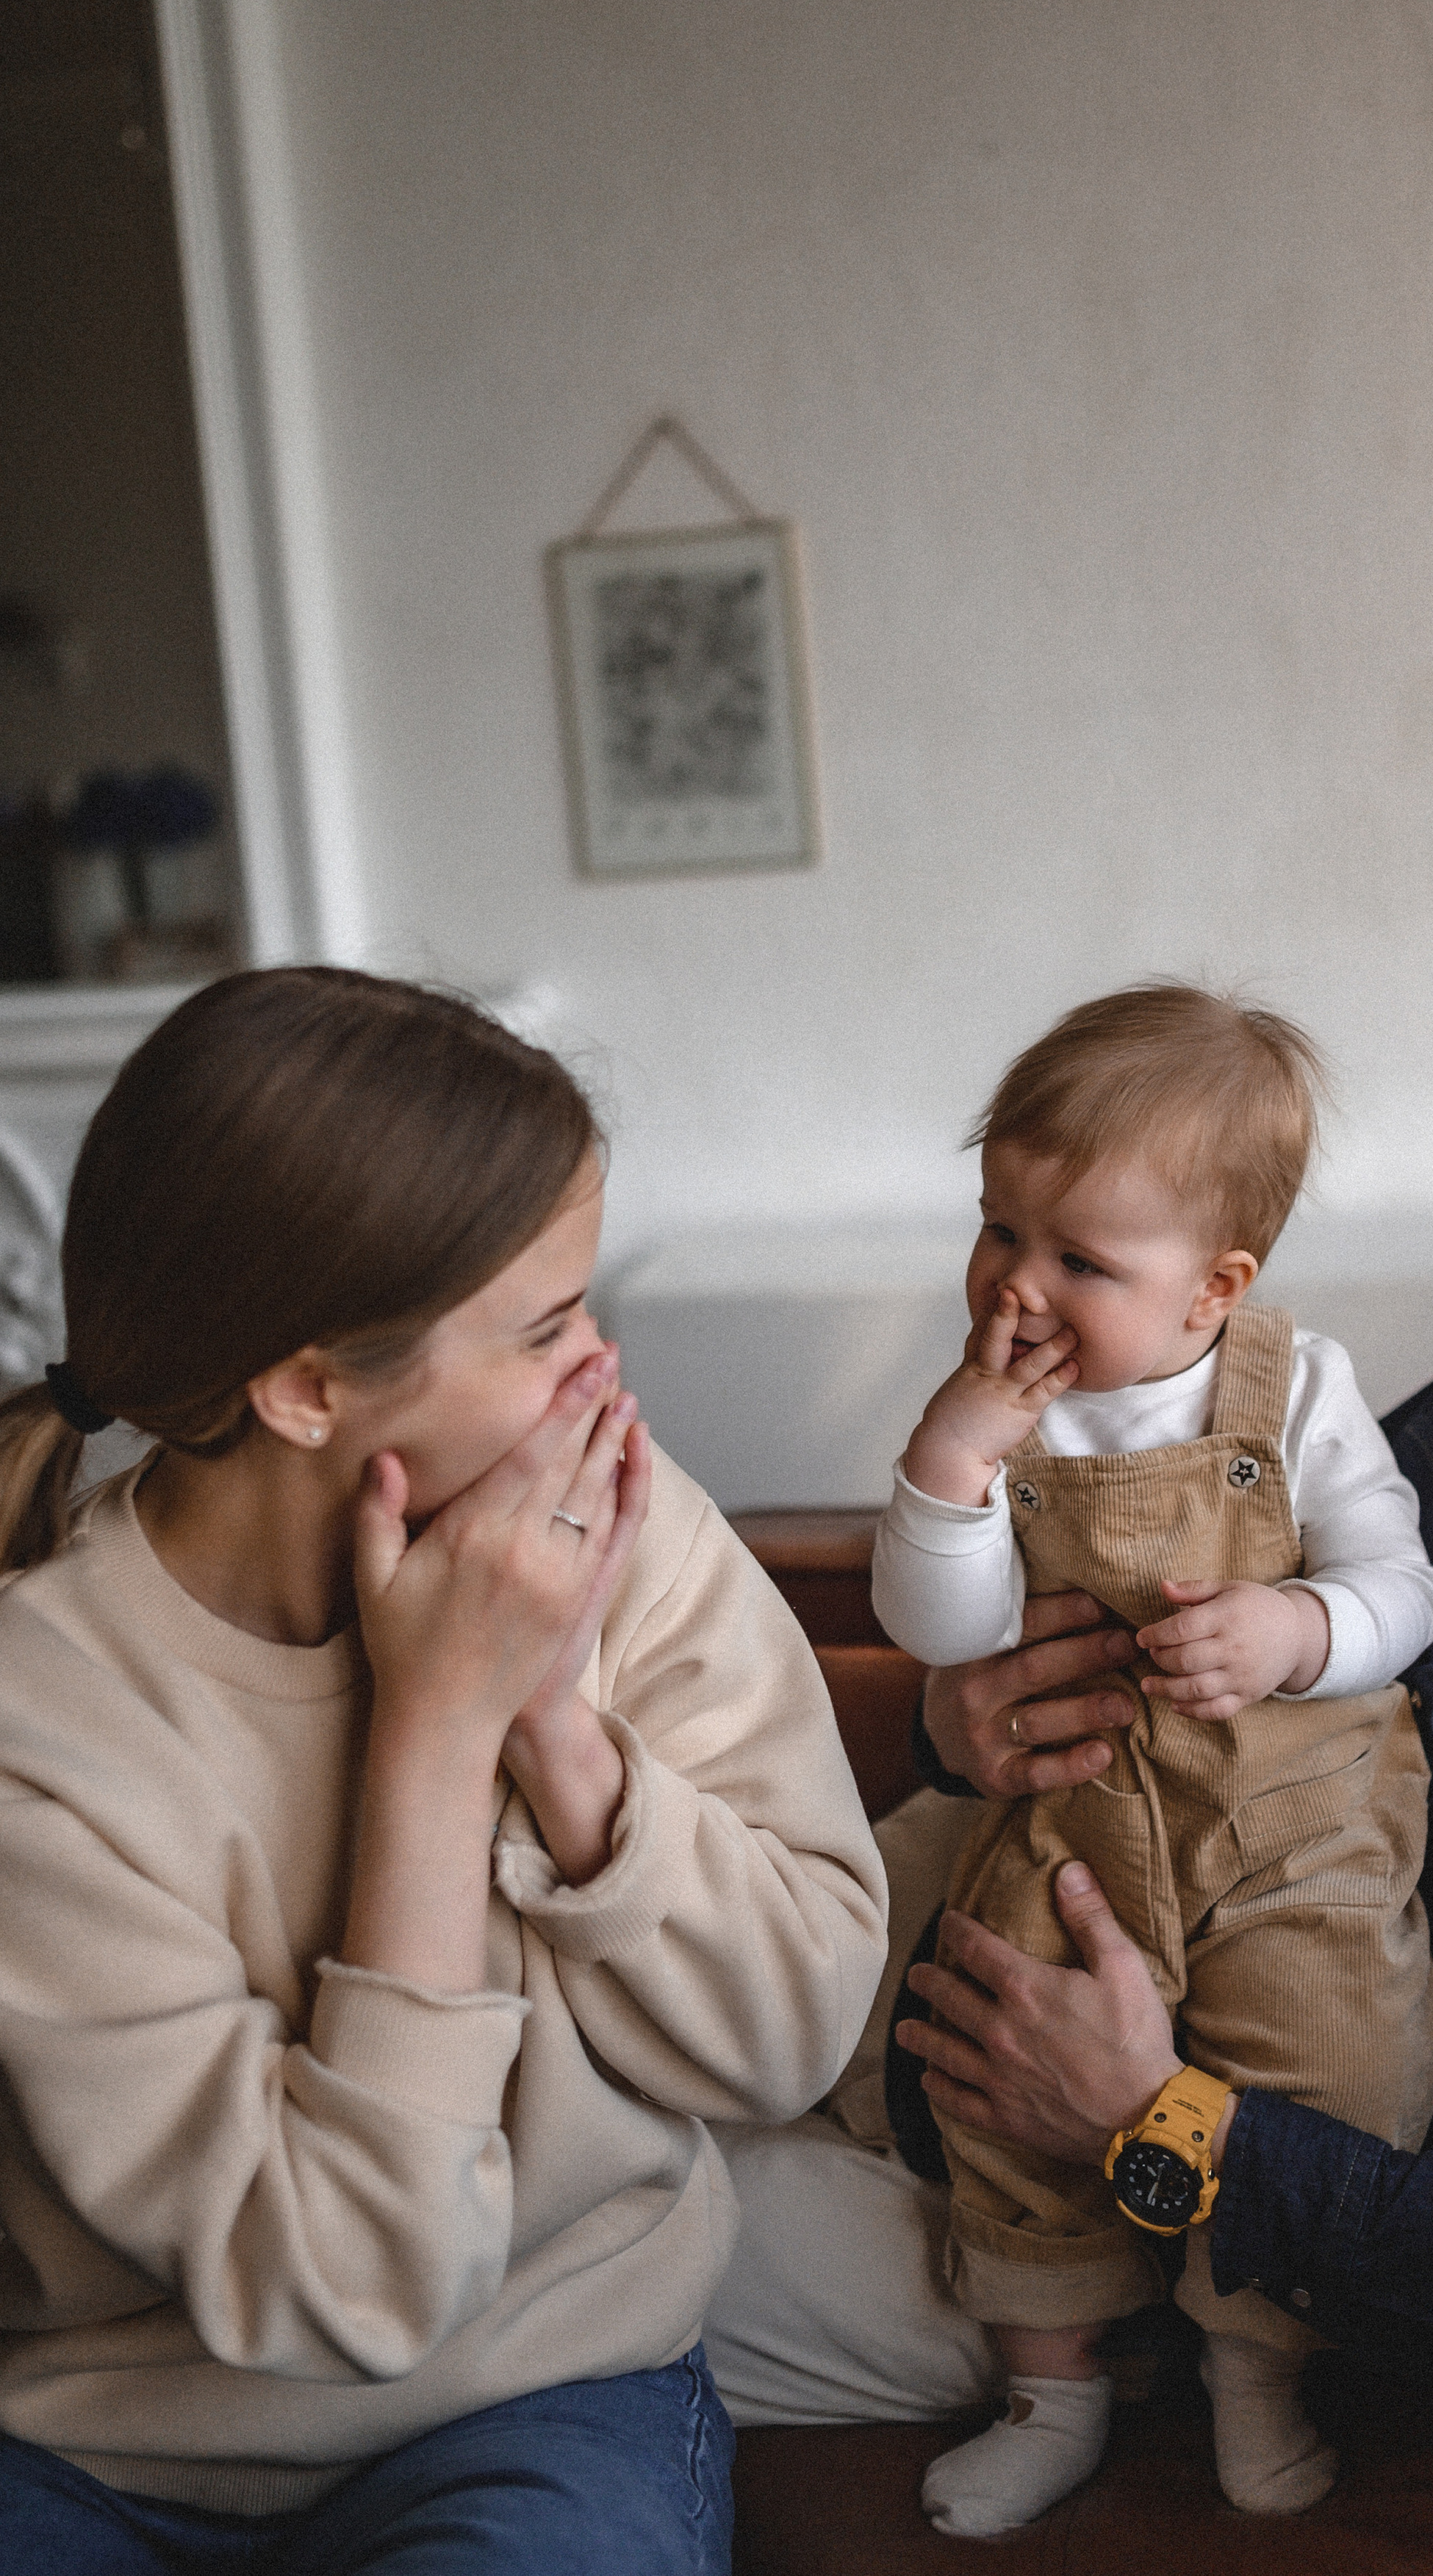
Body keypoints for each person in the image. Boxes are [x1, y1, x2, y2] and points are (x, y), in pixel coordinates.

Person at [705, 1010, 1433, 2484]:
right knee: (550, 2061)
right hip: (918, 1943)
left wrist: (1156, 2127)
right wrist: (956, 1718)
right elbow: (1074, 1594)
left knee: (533, 2284)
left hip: (1110, 2252)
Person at [0, 968, 888, 2575]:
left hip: (544, 2399)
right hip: (98, 2449)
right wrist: (430, 1734)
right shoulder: (40, 1724)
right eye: (545, 1327)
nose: (602, 1367)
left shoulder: (622, 1525)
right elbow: (348, 2281)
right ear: (306, 1388)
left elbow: (795, 2033)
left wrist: (552, 1725)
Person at [866, 984, 1433, 2530]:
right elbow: (943, 1626)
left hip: (1287, 1825)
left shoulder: (1294, 1388)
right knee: (994, 2072)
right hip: (1076, 1819)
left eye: (1079, 1260)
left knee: (1334, 2057)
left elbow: (1404, 1588)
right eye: (998, 1229)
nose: (1017, 1285)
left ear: (1214, 1288)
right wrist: (950, 1457)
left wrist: (1294, 1627)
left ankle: (1255, 2369)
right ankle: (1050, 2392)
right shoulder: (999, 1415)